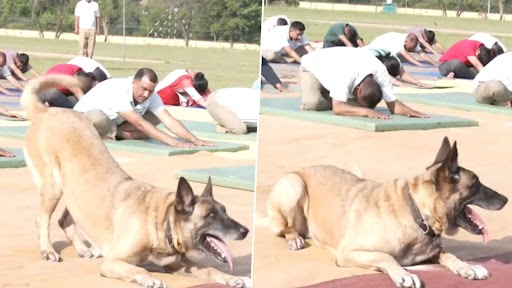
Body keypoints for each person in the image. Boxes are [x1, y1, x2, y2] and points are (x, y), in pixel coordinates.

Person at [73, 68, 214, 148]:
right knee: (98, 118)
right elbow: (139, 123)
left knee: (154, 117)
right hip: (82, 120)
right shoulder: (119, 89)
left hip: (115, 123)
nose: (146, 94)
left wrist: (195, 140)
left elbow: (168, 119)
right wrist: (171, 141)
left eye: (151, 91)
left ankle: (118, 133)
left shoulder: (151, 95)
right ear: (134, 83)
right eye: (144, 89)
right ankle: (119, 134)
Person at [299, 47, 428, 119]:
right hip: (311, 67)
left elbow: (392, 104)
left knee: (357, 105)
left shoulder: (380, 71)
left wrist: (408, 111)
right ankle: (334, 96)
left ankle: (338, 96)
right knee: (313, 103)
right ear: (359, 89)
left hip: (335, 72)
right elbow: (337, 108)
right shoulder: (345, 74)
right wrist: (366, 112)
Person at [365, 48, 432, 88]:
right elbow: (382, 72)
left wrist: (417, 82)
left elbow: (403, 74)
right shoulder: (370, 60)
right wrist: (396, 82)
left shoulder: (394, 58)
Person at [367, 32, 438, 66]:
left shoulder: (412, 41)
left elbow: (422, 54)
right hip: (378, 48)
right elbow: (406, 55)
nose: (410, 50)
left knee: (404, 59)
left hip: (390, 51)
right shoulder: (399, 41)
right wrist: (419, 64)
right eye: (409, 48)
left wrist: (433, 63)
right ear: (406, 41)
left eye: (412, 48)